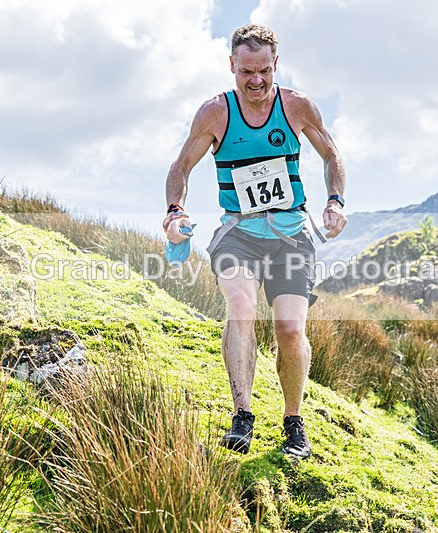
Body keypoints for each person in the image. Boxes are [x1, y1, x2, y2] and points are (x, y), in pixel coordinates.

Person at [163, 24, 347, 459]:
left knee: (290, 329)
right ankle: (242, 416)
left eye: (264, 70)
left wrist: (335, 201)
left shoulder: (297, 107)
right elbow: (181, 167)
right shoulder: (215, 113)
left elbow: (331, 154)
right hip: (239, 234)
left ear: (275, 64)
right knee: (241, 307)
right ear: (232, 65)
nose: (257, 80)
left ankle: (293, 422)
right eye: (247, 71)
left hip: (291, 236)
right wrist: (174, 211)